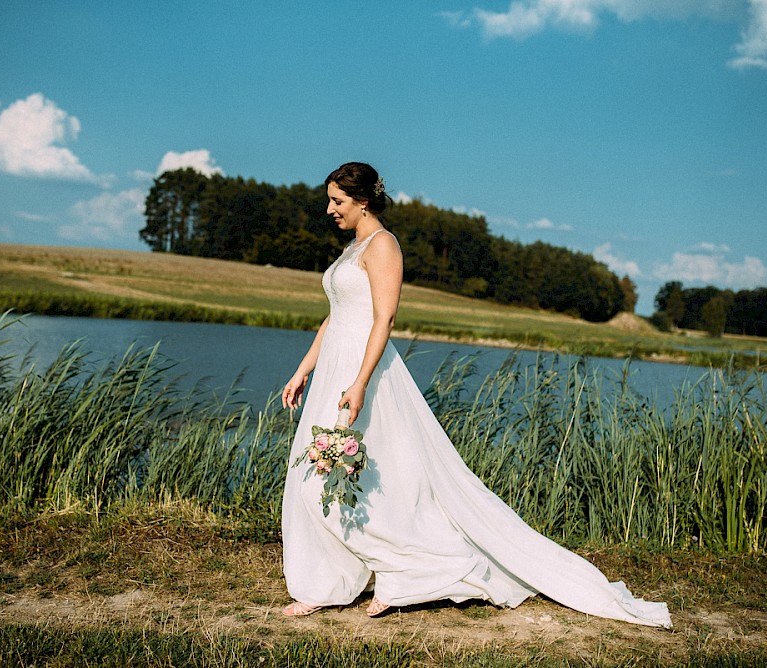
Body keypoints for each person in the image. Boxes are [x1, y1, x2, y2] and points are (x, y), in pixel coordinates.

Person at [279, 162, 671, 627]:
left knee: (365, 477)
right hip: (334, 371)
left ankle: (416, 573)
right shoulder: (352, 248)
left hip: (365, 373)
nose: (329, 209)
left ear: (363, 201)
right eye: (329, 200)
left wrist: (361, 381)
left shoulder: (383, 246)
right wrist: (303, 370)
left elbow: (382, 319)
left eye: (337, 201)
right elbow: (335, 316)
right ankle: (333, 582)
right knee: (319, 477)